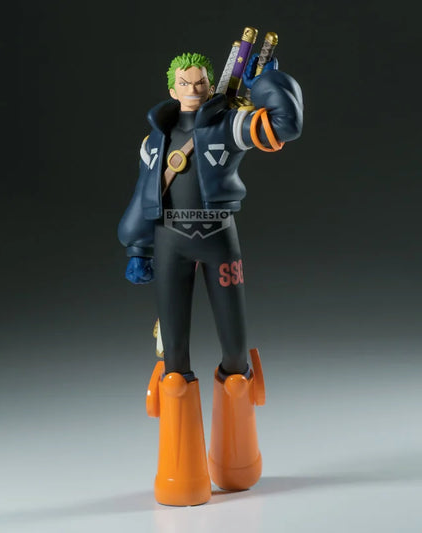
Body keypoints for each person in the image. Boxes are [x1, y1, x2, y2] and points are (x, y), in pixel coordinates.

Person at [118, 51, 303, 506]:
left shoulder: (228, 125)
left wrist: (267, 85)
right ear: (171, 88)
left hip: (219, 236)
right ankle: (181, 476)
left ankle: (236, 464)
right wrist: (137, 245)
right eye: (185, 83)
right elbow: (144, 193)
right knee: (174, 364)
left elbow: (285, 125)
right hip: (169, 240)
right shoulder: (155, 140)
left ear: (211, 84)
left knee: (236, 355)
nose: (194, 90)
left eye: (200, 82)